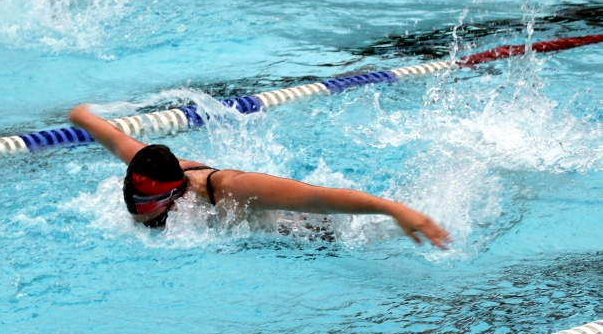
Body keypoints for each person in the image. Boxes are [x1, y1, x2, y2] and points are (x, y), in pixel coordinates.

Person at [69, 104, 451, 248]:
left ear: (176, 195)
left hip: (319, 234)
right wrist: (80, 115)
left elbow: (317, 198)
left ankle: (415, 212)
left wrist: (395, 210)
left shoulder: (232, 189)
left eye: (147, 208)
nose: (138, 216)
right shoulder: (152, 165)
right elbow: (114, 137)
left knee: (368, 234)